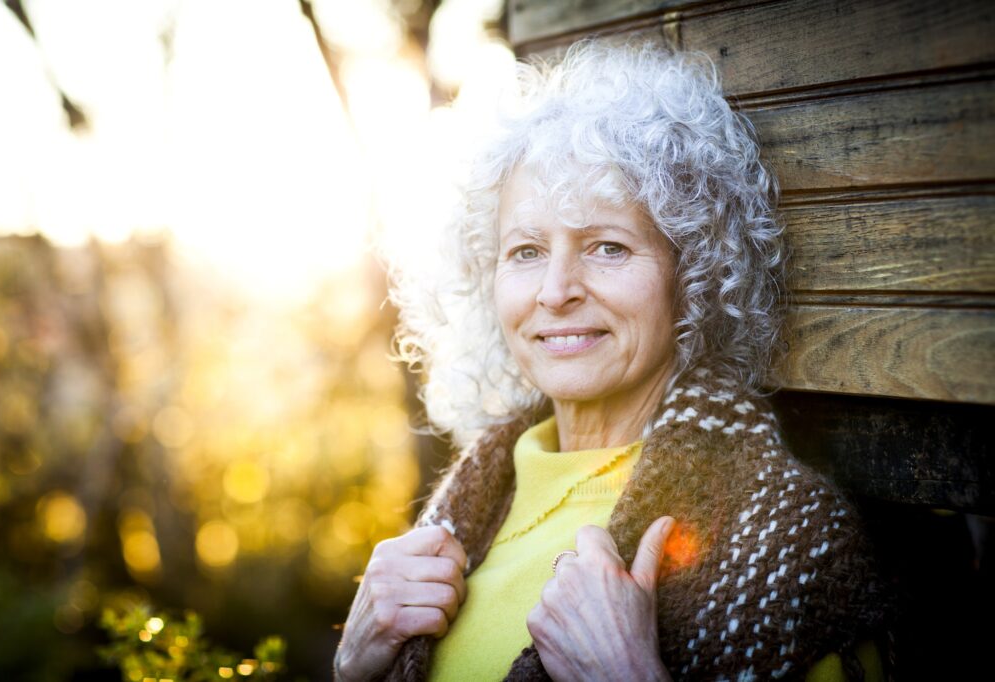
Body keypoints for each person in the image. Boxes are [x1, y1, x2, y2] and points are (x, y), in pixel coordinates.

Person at [334, 41, 888, 681]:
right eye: (525, 251)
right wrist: (353, 664)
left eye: (607, 247)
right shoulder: (464, 509)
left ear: (694, 272)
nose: (555, 290)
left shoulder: (788, 543)